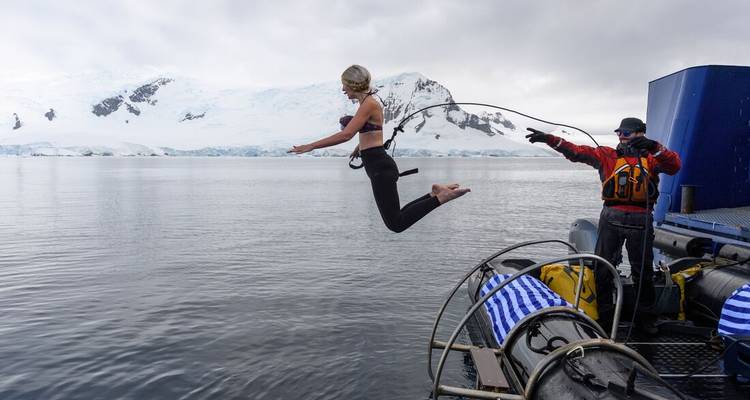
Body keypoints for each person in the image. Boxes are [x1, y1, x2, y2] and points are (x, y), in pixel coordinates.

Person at [525, 117, 681, 334]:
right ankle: (605, 318)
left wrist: (654, 147)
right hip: (611, 216)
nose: (621, 136)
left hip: (641, 218)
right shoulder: (606, 155)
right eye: (619, 132)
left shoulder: (652, 158)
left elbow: (674, 165)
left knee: (643, 271)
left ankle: (646, 319)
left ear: (640, 134)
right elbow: (576, 152)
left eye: (626, 133)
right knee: (603, 269)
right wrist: (550, 139)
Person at [289, 65, 469, 233]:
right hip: (378, 165)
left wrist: (311, 146)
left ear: (354, 84)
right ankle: (435, 194)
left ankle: (440, 197)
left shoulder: (369, 104)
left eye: (344, 85)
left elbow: (346, 135)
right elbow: (374, 129)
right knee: (396, 217)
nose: (343, 90)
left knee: (396, 224)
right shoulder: (367, 104)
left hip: (380, 168)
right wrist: (360, 147)